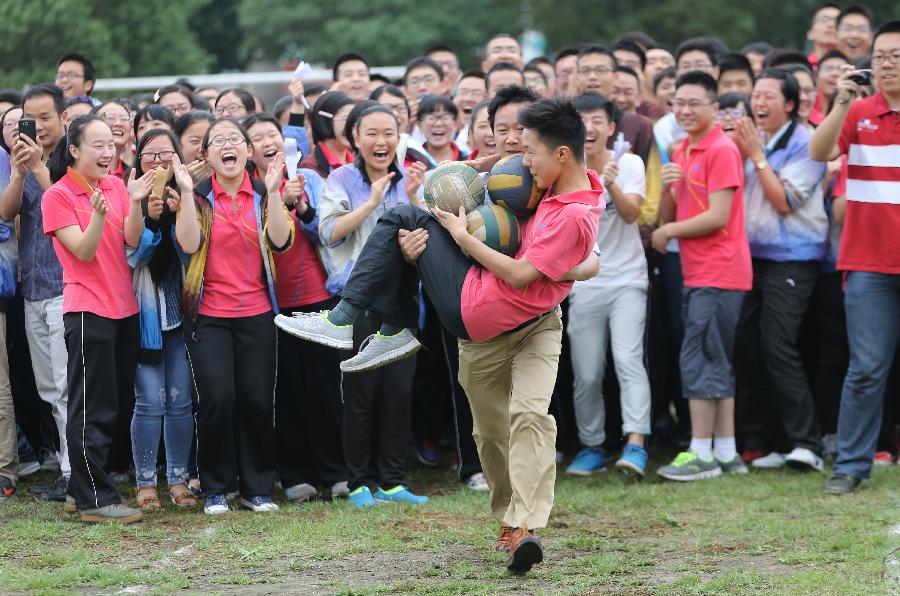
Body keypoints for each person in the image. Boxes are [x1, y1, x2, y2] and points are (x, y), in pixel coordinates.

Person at [277, 98, 603, 575]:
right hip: (478, 327)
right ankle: (388, 327)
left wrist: (552, 269)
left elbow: (584, 259)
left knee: (531, 416)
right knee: (490, 435)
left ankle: (524, 526)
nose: (516, 146)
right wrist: (423, 248)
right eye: (505, 132)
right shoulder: (495, 177)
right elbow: (438, 193)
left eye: (525, 138)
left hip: (534, 325)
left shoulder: (565, 198)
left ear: (555, 150)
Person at [175, 118, 293, 514]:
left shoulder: (262, 193)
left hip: (258, 313)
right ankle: (215, 488)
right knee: (217, 399)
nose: (229, 146)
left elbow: (280, 240)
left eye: (235, 140)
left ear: (248, 151)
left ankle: (257, 488)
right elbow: (189, 244)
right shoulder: (200, 196)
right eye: (219, 141)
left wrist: (275, 193)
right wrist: (188, 194)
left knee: (258, 400)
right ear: (206, 155)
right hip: (209, 316)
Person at [809, 20, 900, 495]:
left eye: (896, 56)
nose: (887, 65)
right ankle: (850, 465)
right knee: (866, 367)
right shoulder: (859, 111)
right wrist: (840, 101)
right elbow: (818, 151)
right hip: (868, 264)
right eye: (881, 56)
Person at [43, 114, 149, 522]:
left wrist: (135, 202)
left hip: (124, 308)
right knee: (92, 408)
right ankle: (94, 500)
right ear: (74, 150)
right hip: (88, 310)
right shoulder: (59, 194)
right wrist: (100, 214)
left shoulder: (117, 185)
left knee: (116, 404)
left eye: (112, 145)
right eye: (98, 145)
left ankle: (82, 488)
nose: (109, 153)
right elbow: (83, 252)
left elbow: (133, 240)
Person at [651, 71, 752, 481]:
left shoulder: (722, 148)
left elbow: (717, 216)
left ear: (714, 107)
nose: (686, 110)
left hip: (719, 269)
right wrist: (668, 191)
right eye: (679, 102)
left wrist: (668, 231)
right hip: (701, 269)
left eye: (695, 103)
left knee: (700, 357)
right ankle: (726, 452)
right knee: (715, 358)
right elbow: (675, 211)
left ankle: (700, 452)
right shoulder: (682, 149)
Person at [243, 112, 348, 503]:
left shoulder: (313, 178)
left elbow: (327, 230)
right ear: (247, 150)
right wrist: (274, 199)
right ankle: (293, 473)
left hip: (319, 296)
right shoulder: (249, 191)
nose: (267, 141)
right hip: (271, 301)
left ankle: (336, 471)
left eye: (272, 133)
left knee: (325, 388)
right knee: (286, 392)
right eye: (256, 137)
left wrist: (301, 206)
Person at [731, 69, 828, 472]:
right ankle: (777, 440)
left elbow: (784, 201)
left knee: (778, 344)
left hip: (793, 258)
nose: (760, 103)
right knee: (748, 347)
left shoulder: (807, 143)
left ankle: (808, 443)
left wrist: (755, 155)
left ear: (790, 104)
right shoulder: (754, 139)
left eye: (770, 96)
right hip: (751, 257)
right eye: (756, 95)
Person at [565, 93, 651, 478]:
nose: (590, 127)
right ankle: (591, 445)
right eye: (582, 120)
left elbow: (633, 215)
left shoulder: (629, 163)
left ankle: (636, 445)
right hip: (584, 282)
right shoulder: (566, 170)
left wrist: (611, 185)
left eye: (597, 119)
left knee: (628, 360)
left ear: (611, 127)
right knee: (586, 372)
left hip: (628, 279)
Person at [0, 84, 72, 506]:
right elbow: (7, 213)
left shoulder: (73, 157)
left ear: (63, 119)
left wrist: (41, 168)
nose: (38, 125)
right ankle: (65, 467)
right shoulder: (20, 162)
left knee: (65, 384)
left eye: (45, 117)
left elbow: (68, 204)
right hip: (33, 287)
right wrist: (20, 171)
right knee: (48, 387)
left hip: (69, 288)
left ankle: (74, 470)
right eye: (31, 117)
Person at [126, 128, 196, 509]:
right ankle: (145, 481)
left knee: (181, 401)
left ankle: (179, 478)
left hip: (181, 319)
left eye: (166, 153)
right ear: (138, 161)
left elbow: (192, 254)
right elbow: (132, 256)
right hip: (144, 320)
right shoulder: (129, 197)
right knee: (150, 401)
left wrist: (178, 208)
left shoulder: (186, 197)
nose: (158, 161)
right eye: (150, 154)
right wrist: (149, 219)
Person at [416, 96, 466, 163]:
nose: (438, 124)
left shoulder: (468, 160)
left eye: (445, 118)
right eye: (431, 118)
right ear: (420, 125)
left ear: (455, 124)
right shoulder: (410, 161)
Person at [94, 100, 134, 178]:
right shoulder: (81, 171)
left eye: (124, 119)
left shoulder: (133, 176)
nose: (118, 123)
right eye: (110, 118)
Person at [807, 3, 841, 69]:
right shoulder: (802, 68)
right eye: (823, 20)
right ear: (810, 34)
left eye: (837, 21)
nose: (831, 24)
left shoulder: (855, 67)